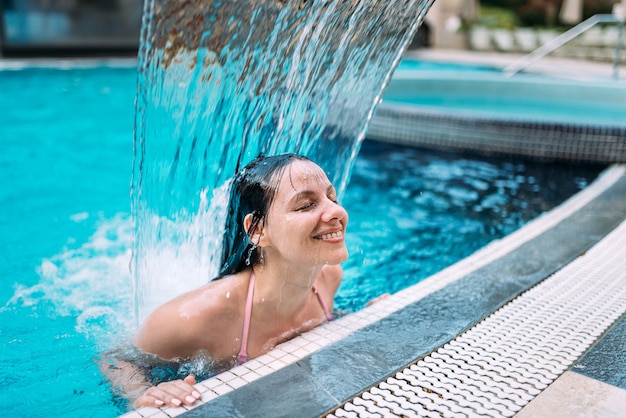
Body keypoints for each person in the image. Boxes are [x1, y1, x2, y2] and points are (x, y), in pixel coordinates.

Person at [126, 153, 349, 408]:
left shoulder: (328, 279)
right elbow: (119, 361)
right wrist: (142, 392)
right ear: (257, 230)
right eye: (306, 205)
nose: (336, 211)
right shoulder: (194, 317)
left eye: (331, 197)